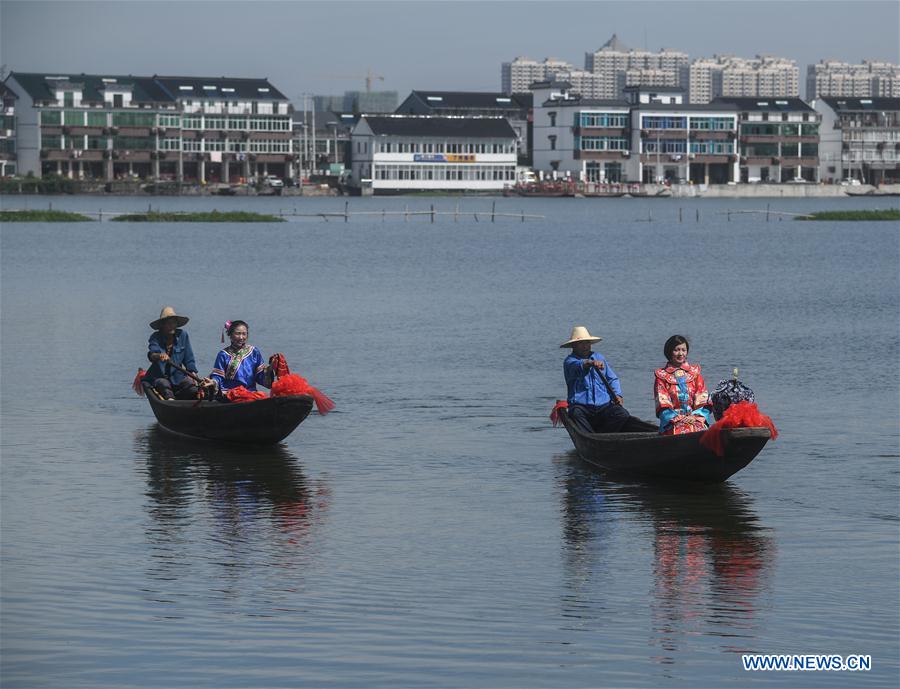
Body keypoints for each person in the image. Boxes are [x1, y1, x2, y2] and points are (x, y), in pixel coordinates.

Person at [561, 325, 637, 434]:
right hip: (581, 407)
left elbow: (612, 379)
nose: (585, 346)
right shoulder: (569, 361)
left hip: (603, 406)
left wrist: (618, 395)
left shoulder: (599, 357)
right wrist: (590, 363)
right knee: (575, 413)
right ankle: (591, 436)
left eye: (587, 343)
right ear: (573, 345)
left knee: (622, 414)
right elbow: (579, 365)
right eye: (581, 343)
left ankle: (602, 435)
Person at [654, 335, 713, 435]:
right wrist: (680, 419)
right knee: (681, 431)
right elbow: (663, 404)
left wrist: (694, 417)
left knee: (702, 432)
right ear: (669, 352)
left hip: (695, 419)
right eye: (676, 350)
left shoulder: (695, 374)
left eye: (683, 350)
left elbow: (703, 400)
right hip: (672, 422)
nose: (681, 354)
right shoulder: (662, 377)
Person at [201, 320, 272, 397]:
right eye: (238, 334)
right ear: (230, 335)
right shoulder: (223, 354)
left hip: (250, 393)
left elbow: (260, 376)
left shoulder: (254, 352)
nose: (241, 337)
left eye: (244, 334)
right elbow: (218, 376)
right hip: (229, 395)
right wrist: (213, 382)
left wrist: (270, 369)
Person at [144, 306, 200, 400]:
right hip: (159, 376)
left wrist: (193, 372)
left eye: (174, 323)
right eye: (169, 323)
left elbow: (189, 359)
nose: (172, 326)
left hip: (178, 377)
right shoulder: (155, 337)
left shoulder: (183, 335)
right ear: (162, 325)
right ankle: (171, 400)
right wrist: (159, 356)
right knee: (164, 386)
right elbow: (152, 353)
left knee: (191, 388)